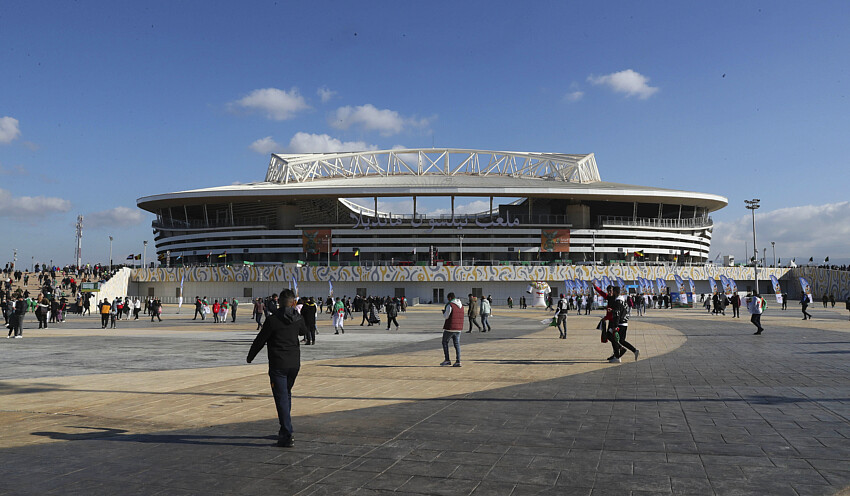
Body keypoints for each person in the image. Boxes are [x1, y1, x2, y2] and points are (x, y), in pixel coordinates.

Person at [246, 289, 306, 448]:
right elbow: (304, 331)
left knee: (281, 398)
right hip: (294, 364)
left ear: (279, 302)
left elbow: (260, 340)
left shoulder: (272, 320)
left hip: (278, 364)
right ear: (293, 303)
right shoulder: (297, 318)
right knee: (286, 395)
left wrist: (250, 356)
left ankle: (287, 434)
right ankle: (284, 428)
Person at [440, 292, 463, 367]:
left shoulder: (450, 305)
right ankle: (458, 361)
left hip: (450, 328)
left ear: (449, 298)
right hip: (459, 328)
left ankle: (447, 360)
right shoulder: (461, 305)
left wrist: (444, 312)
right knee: (457, 344)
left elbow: (446, 316)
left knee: (444, 342)